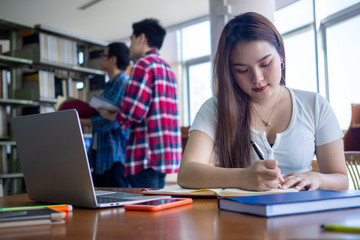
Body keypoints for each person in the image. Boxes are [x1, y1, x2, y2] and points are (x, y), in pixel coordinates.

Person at [177, 12, 349, 191]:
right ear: (230, 72)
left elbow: (341, 179)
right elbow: (187, 173)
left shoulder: (315, 105)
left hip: (303, 213)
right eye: (243, 70)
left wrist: (316, 178)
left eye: (265, 64)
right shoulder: (215, 109)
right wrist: (243, 177)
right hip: (239, 215)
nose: (257, 78)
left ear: (281, 55)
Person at [98, 18, 182, 188]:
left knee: (144, 211)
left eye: (131, 39)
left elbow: (134, 113)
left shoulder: (142, 65)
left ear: (141, 38)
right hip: (166, 155)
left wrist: (111, 115)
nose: (130, 46)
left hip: (145, 155)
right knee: (157, 208)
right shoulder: (167, 69)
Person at [80, 42, 130, 187]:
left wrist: (82, 121)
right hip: (101, 155)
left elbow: (112, 120)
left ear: (113, 60)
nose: (101, 59)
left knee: (118, 204)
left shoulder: (124, 83)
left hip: (115, 156)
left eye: (104, 55)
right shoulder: (109, 85)